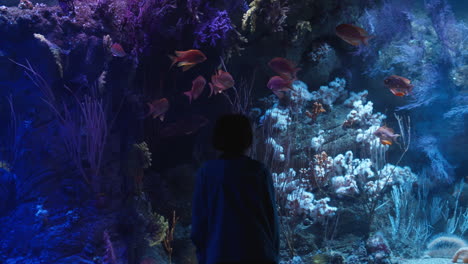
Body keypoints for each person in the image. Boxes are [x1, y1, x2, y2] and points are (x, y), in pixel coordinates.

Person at [191, 114, 279, 264]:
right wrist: (274, 254)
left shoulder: (206, 172)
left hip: (219, 253)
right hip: (259, 253)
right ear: (248, 139)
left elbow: (199, 221)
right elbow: (271, 218)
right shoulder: (259, 171)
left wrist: (203, 256)